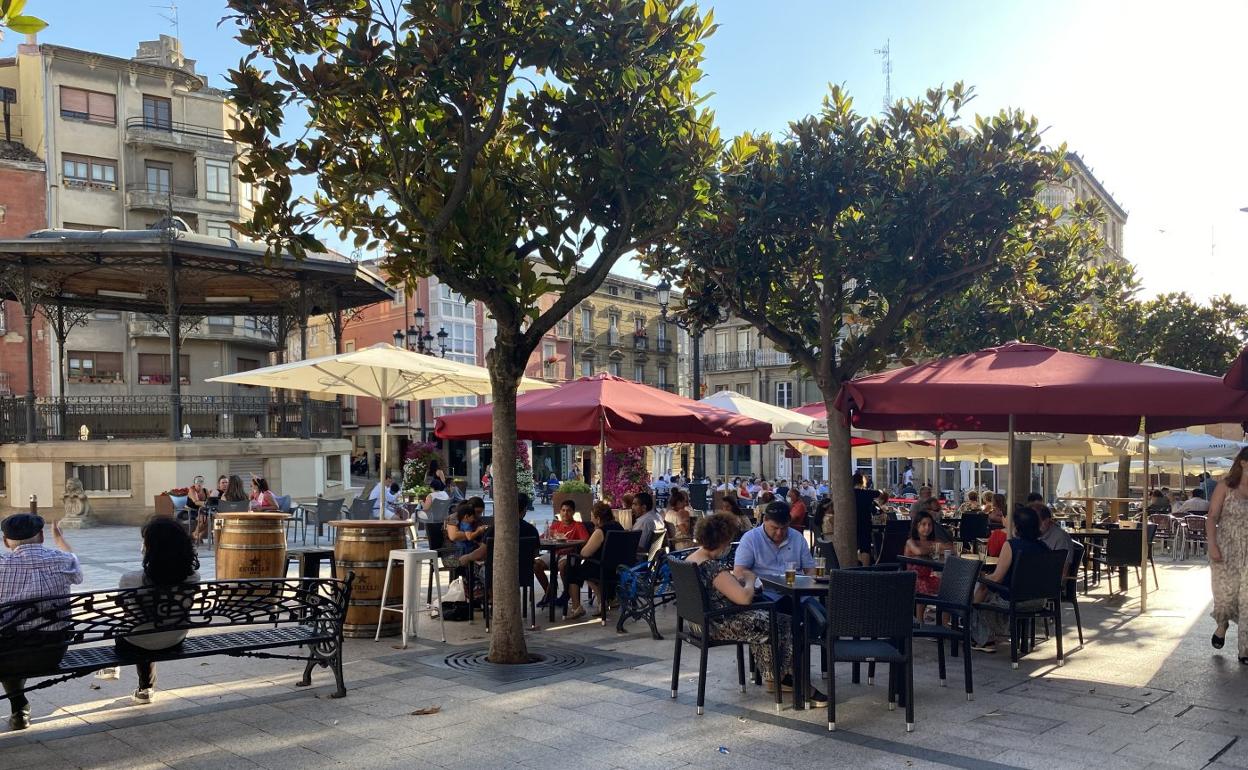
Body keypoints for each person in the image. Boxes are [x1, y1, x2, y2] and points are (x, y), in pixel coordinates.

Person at [687, 512, 825, 704]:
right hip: (717, 624)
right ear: (723, 540)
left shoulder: (692, 558)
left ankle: (778, 674)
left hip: (698, 623)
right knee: (777, 620)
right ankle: (786, 677)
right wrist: (750, 581)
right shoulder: (712, 567)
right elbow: (744, 598)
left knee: (766, 617)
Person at [0, 514, 82, 730]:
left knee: (9, 644)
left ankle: (19, 708)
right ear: (41, 536)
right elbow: (76, 568)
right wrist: (60, 541)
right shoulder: (64, 560)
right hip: (53, 651)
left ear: (6, 541)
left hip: (9, 653)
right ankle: (20, 708)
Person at [116, 517, 201, 705]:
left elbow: (127, 612)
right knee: (151, 628)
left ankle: (144, 687)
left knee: (140, 631)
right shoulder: (193, 578)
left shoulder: (129, 580)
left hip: (136, 643)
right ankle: (145, 688)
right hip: (176, 639)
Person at [970, 506, 1050, 653]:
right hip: (1038, 601)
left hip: (1014, 601)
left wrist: (982, 578)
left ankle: (982, 638)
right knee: (985, 587)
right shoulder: (1044, 547)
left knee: (981, 587)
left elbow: (997, 577)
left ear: (1017, 526)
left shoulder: (1012, 546)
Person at [1209, 447, 1248, 662]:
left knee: (1247, 600)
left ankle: (1245, 649)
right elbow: (1212, 516)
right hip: (1226, 549)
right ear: (1243, 462)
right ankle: (1222, 625)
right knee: (1226, 597)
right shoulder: (1226, 486)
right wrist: (1212, 545)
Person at [564, 503, 625, 620]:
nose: (591, 519)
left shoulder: (600, 531)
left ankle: (577, 606)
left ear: (598, 518)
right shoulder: (619, 527)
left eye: (592, 516)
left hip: (602, 568)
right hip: (617, 569)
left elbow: (584, 553)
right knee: (586, 568)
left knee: (572, 569)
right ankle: (604, 598)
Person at [733, 500, 815, 580]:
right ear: (764, 520)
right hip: (763, 590)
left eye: (784, 528)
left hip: (795, 588)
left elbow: (810, 569)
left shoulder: (798, 538)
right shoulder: (751, 538)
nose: (779, 533)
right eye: (774, 528)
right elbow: (739, 571)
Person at [537, 499, 589, 608]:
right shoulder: (555, 525)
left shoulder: (578, 526)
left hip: (570, 555)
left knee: (563, 566)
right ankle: (550, 592)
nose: (565, 513)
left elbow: (585, 541)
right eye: (563, 510)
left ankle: (566, 593)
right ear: (560, 512)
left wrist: (569, 542)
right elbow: (543, 537)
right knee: (536, 564)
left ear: (573, 512)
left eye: (568, 511)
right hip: (554, 553)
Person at [904, 510, 954, 616]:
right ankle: (920, 619)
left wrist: (937, 548)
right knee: (923, 586)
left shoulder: (932, 541)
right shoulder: (911, 541)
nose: (927, 527)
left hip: (928, 577)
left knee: (949, 587)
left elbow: (951, 547)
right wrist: (936, 548)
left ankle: (945, 621)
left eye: (930, 525)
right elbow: (919, 551)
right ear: (917, 525)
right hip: (912, 578)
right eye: (923, 524)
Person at [1034, 503, 1075, 576]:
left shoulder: (1060, 538)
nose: (1031, 525)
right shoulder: (1034, 536)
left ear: (1046, 521)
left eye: (1034, 521)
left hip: (1049, 582)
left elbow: (1063, 571)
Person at [852, 472, 878, 566]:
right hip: (865, 522)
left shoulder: (849, 494)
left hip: (851, 523)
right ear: (863, 482)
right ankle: (865, 569)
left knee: (852, 546)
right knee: (865, 547)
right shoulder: (867, 493)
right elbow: (882, 494)